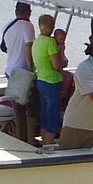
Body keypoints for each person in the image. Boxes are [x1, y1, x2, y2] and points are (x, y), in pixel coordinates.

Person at [1, 1, 37, 141]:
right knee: (29, 109)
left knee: (18, 108)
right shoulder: (28, 26)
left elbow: (5, 48)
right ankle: (27, 139)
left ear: (16, 12)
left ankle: (20, 137)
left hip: (10, 70)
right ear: (29, 12)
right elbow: (28, 47)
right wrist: (31, 69)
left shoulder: (8, 26)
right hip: (22, 72)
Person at [30, 14, 67, 146]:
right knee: (53, 115)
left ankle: (44, 141)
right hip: (52, 81)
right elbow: (56, 65)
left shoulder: (37, 41)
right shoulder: (50, 42)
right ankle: (48, 145)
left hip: (41, 79)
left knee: (45, 113)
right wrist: (63, 62)